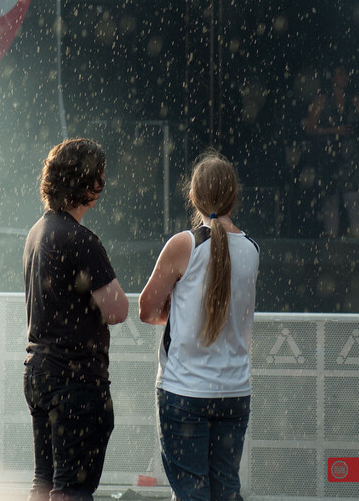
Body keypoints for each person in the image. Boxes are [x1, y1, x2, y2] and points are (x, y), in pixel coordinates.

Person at [139, 151, 259, 501]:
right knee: (226, 490)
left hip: (185, 391)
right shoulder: (252, 249)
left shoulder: (184, 244)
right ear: (234, 196)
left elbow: (147, 309)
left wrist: (179, 314)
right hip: (234, 392)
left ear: (193, 196)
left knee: (192, 493)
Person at [23, 138, 129, 501]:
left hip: (40, 373)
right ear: (90, 186)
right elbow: (116, 310)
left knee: (44, 481)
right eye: (100, 177)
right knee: (71, 489)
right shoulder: (81, 241)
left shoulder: (38, 233)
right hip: (76, 382)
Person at [305, 64, 359, 237]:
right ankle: (331, 241)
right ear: (332, 78)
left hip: (350, 156)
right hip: (329, 155)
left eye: (346, 73)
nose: (345, 76)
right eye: (340, 73)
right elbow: (310, 128)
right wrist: (334, 130)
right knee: (331, 200)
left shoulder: (353, 100)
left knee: (353, 198)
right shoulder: (322, 100)